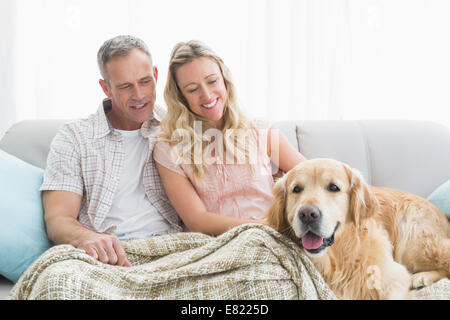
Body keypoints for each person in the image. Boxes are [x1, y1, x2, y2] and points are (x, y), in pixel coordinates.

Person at [40, 35, 184, 267]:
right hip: (107, 257)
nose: (139, 95)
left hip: (171, 249)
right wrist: (88, 238)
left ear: (156, 75)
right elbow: (58, 219)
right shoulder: (74, 138)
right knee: (56, 280)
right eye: (125, 86)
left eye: (145, 81)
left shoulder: (177, 127)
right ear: (105, 87)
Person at [153, 40, 306, 236]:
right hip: (218, 243)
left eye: (212, 81)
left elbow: (313, 179)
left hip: (273, 238)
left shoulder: (261, 131)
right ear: (181, 97)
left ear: (225, 80)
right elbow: (197, 220)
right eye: (192, 89)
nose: (207, 95)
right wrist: (265, 227)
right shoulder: (169, 147)